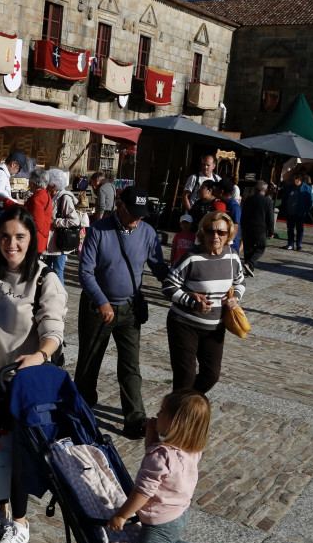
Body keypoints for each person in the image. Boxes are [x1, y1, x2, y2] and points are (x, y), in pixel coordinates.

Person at [0, 208, 65, 543]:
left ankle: (21, 521)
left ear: (32, 239)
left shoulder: (44, 279)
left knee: (21, 451)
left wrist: (39, 356)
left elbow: (53, 328)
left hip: (22, 380)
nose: (12, 244)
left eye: (20, 236)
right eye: (5, 237)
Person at [108, 389, 231, 543]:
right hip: (179, 516)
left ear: (175, 422)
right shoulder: (191, 449)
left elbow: (142, 492)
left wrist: (122, 515)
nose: (157, 412)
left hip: (160, 522)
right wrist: (152, 435)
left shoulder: (159, 456)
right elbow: (163, 466)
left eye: (163, 411)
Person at [75, 185, 169, 439]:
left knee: (130, 365)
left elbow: (160, 268)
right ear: (120, 206)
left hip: (130, 308)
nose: (138, 218)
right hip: (98, 309)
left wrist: (181, 289)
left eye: (142, 214)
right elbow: (85, 272)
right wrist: (101, 301)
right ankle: (82, 409)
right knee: (88, 362)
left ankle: (135, 418)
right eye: (134, 213)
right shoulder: (98, 230)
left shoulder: (148, 232)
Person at [161, 212, 245, 394]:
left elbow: (240, 282)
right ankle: (178, 416)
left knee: (211, 375)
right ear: (202, 233)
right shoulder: (192, 257)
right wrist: (192, 301)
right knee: (185, 377)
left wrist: (235, 297)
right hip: (184, 325)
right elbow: (167, 287)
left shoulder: (232, 257)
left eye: (221, 232)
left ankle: (183, 404)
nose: (215, 236)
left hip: (215, 328)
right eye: (210, 231)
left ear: (228, 234)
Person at [46, 168, 83, 283]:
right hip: (51, 242)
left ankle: (60, 298)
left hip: (60, 242)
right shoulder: (53, 196)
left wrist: (55, 222)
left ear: (54, 185)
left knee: (57, 271)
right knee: (47, 270)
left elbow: (75, 221)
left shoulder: (65, 197)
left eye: (47, 183)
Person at [239, 181, 274, 276]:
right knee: (260, 248)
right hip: (260, 229)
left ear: (255, 189)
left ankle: (249, 268)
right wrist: (271, 231)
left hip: (248, 227)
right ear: (265, 190)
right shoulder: (267, 201)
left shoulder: (248, 199)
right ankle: (249, 263)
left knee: (248, 248)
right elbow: (270, 218)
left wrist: (241, 227)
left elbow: (243, 214)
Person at [24, 168, 53, 257]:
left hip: (35, 241)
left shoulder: (37, 199)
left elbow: (37, 224)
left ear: (33, 182)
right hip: (41, 238)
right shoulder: (45, 195)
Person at [281, 174, 313, 251]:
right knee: (290, 228)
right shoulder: (290, 187)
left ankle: (298, 244)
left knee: (299, 229)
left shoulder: (306, 188)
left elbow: (311, 200)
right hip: (290, 212)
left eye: (294, 180)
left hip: (301, 212)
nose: (293, 181)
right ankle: (290, 244)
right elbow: (285, 198)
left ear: (299, 180)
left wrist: (307, 209)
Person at [215, 180, 241, 252]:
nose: (215, 190)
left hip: (230, 246)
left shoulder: (234, 206)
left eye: (216, 189)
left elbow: (235, 226)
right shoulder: (220, 202)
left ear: (221, 191)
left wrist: (228, 243)